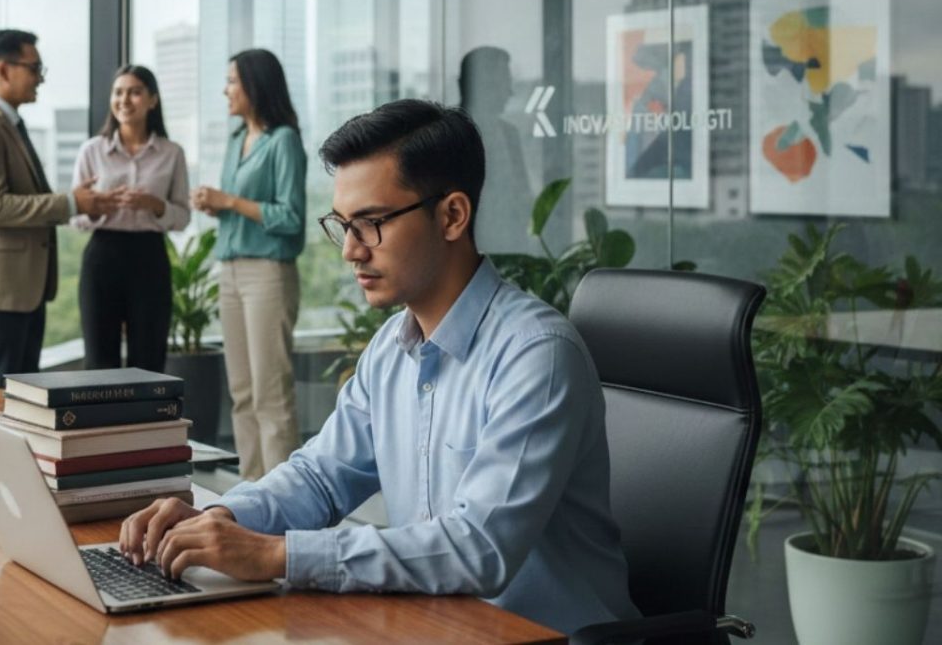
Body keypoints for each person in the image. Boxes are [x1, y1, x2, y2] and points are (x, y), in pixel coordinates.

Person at [119, 100, 640, 635]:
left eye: (370, 224)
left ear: (452, 215)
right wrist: (222, 520)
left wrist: (277, 556)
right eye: (343, 225)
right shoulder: (393, 345)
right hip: (435, 624)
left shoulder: (536, 355)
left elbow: (479, 549)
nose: (349, 251)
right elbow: (320, 479)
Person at [0, 29, 119, 388]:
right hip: (0, 289)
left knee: (20, 399)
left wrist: (78, 202)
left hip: (21, 288)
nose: (40, 79)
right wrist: (72, 203)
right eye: (34, 68)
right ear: (3, 69)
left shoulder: (8, 124)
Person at [190, 49, 306, 480]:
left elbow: (291, 217)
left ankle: (285, 499)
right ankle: (253, 495)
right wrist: (216, 207)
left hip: (268, 275)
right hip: (232, 271)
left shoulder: (284, 142)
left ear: (256, 85)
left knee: (270, 395)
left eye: (233, 81)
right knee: (241, 394)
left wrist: (231, 201)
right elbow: (240, 209)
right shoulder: (237, 140)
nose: (226, 90)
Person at [71, 64, 190, 371]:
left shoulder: (172, 153)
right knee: (99, 358)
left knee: (149, 359)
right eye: (118, 92)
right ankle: (101, 421)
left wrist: (155, 204)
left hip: (150, 258)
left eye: (135, 92)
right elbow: (76, 216)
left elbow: (182, 217)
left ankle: (147, 420)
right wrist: (99, 207)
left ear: (152, 100)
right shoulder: (91, 151)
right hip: (102, 255)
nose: (124, 100)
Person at [458, 46, 532, 253]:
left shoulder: (510, 134)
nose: (510, 92)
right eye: (504, 82)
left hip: (510, 254)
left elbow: (522, 196)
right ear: (485, 85)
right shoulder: (446, 134)